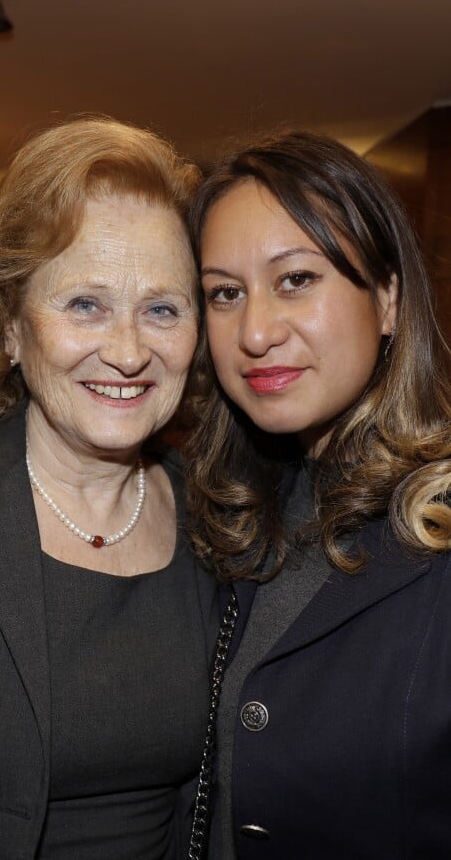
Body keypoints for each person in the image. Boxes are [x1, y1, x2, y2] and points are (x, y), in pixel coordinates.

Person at [0, 116, 219, 860]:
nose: (127, 352)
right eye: (84, 304)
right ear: (11, 327)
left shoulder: (225, 522)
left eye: (162, 308)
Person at [185, 130, 451, 859]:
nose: (256, 331)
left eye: (296, 278)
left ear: (388, 299)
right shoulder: (217, 519)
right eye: (224, 294)